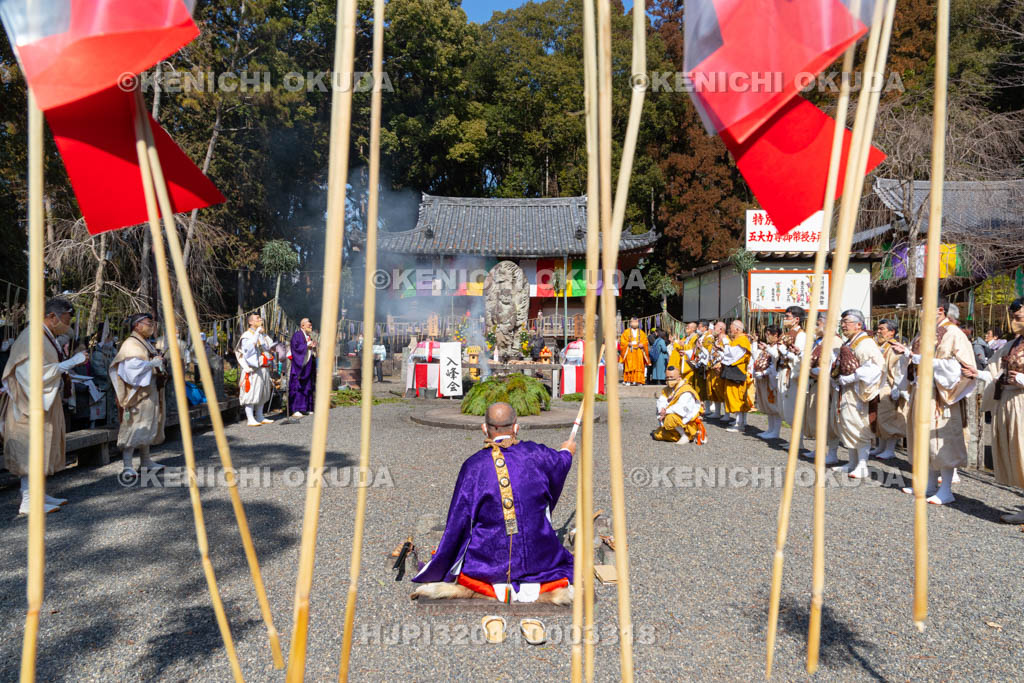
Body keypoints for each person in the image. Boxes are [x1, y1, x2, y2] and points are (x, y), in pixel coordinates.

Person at [410, 402, 576, 604]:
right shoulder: (537, 454)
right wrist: (567, 451)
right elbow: (559, 462)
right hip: (539, 558)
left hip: (489, 563)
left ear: (484, 427)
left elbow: (460, 519)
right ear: (516, 427)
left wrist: (446, 556)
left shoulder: (474, 466)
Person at [897, 298, 985, 505]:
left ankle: (946, 489)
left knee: (941, 439)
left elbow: (961, 368)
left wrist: (920, 359)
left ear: (940, 310)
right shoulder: (923, 332)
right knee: (922, 439)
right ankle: (927, 484)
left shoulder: (954, 333)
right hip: (921, 390)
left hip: (941, 394)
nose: (921, 312)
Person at [2, 297, 82, 514]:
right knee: (29, 450)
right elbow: (32, 373)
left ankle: (39, 494)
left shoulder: (46, 336)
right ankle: (27, 500)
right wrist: (70, 363)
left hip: (42, 400)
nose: (69, 322)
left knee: (43, 447)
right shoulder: (31, 337)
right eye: (67, 317)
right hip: (27, 403)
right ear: (52, 316)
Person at [980, 297, 1024, 522]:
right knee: (1017, 452)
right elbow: (995, 368)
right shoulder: (1013, 343)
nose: (1015, 321)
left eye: (1019, 317)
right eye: (1015, 317)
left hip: (1022, 400)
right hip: (1009, 401)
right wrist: (973, 373)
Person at [109, 313, 167, 477]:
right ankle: (127, 464)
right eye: (148, 323)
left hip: (149, 390)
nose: (151, 326)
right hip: (136, 393)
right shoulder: (130, 344)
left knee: (147, 425)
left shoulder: (145, 343)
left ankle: (146, 460)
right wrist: (151, 364)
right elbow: (130, 370)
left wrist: (157, 362)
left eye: (152, 322)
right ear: (137, 325)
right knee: (133, 426)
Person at [830, 310, 884, 479]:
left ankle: (862, 464)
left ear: (859, 324)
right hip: (848, 390)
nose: (843, 325)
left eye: (847, 321)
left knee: (860, 426)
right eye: (842, 321)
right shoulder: (850, 342)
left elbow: (875, 368)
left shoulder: (866, 343)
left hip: (860, 392)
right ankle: (852, 462)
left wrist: (852, 377)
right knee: (847, 424)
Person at [803, 312, 842, 463]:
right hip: (815, 384)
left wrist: (815, 371)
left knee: (828, 420)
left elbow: (834, 366)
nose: (815, 326)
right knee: (816, 419)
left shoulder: (834, 341)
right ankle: (819, 448)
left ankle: (832, 453)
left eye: (818, 322)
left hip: (827, 386)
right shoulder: (820, 341)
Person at [871, 319, 907, 460]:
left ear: (891, 332)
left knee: (889, 417)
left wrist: (897, 387)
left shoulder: (895, 347)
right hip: (878, 385)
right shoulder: (880, 345)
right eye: (878, 328)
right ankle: (881, 446)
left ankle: (890, 449)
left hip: (889, 386)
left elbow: (899, 369)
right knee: (879, 417)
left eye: (882, 329)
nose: (878, 331)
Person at [236, 313, 275, 426]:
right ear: (251, 322)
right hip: (253, 368)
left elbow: (267, 347)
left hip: (263, 367)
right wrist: (257, 333)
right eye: (257, 318)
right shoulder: (247, 335)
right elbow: (248, 351)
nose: (260, 319)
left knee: (262, 392)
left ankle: (259, 416)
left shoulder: (262, 334)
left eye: (260, 318)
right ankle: (250, 418)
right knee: (251, 393)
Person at [652, 364, 706, 443]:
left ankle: (686, 435)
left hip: (686, 419)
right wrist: (662, 409)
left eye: (672, 378)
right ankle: (680, 435)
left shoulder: (686, 389)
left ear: (679, 378)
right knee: (657, 435)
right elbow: (661, 400)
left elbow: (682, 408)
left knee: (670, 419)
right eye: (667, 378)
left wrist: (666, 411)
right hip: (672, 417)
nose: (669, 380)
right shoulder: (667, 389)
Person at [718, 320, 753, 432]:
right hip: (732, 371)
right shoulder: (737, 340)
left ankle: (740, 424)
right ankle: (739, 421)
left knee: (737, 397)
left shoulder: (742, 340)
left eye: (731, 328)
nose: (730, 331)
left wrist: (725, 341)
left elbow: (733, 355)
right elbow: (729, 354)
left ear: (737, 329)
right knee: (732, 396)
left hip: (738, 372)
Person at [753, 326, 784, 439]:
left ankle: (775, 432)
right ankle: (770, 429)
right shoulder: (769, 347)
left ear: (775, 335)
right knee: (769, 406)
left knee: (774, 407)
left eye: (768, 334)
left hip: (773, 380)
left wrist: (764, 372)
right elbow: (757, 357)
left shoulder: (778, 347)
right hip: (766, 379)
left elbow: (775, 362)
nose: (766, 336)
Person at [288, 318, 317, 417]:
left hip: (308, 365)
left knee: (307, 387)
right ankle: (296, 409)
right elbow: (295, 348)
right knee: (298, 387)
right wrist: (306, 346)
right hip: (299, 366)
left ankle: (306, 408)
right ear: (303, 326)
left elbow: (309, 349)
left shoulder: (308, 337)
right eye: (309, 326)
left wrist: (313, 347)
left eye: (311, 326)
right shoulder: (297, 335)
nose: (311, 327)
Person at [618, 317, 650, 385]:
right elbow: (622, 342)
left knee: (639, 366)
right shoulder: (626, 332)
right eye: (633, 322)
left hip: (639, 351)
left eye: (636, 322)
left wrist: (642, 344)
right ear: (630, 323)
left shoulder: (641, 332)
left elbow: (645, 341)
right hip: (630, 350)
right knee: (629, 366)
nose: (635, 323)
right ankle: (628, 380)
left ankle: (638, 381)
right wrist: (628, 343)